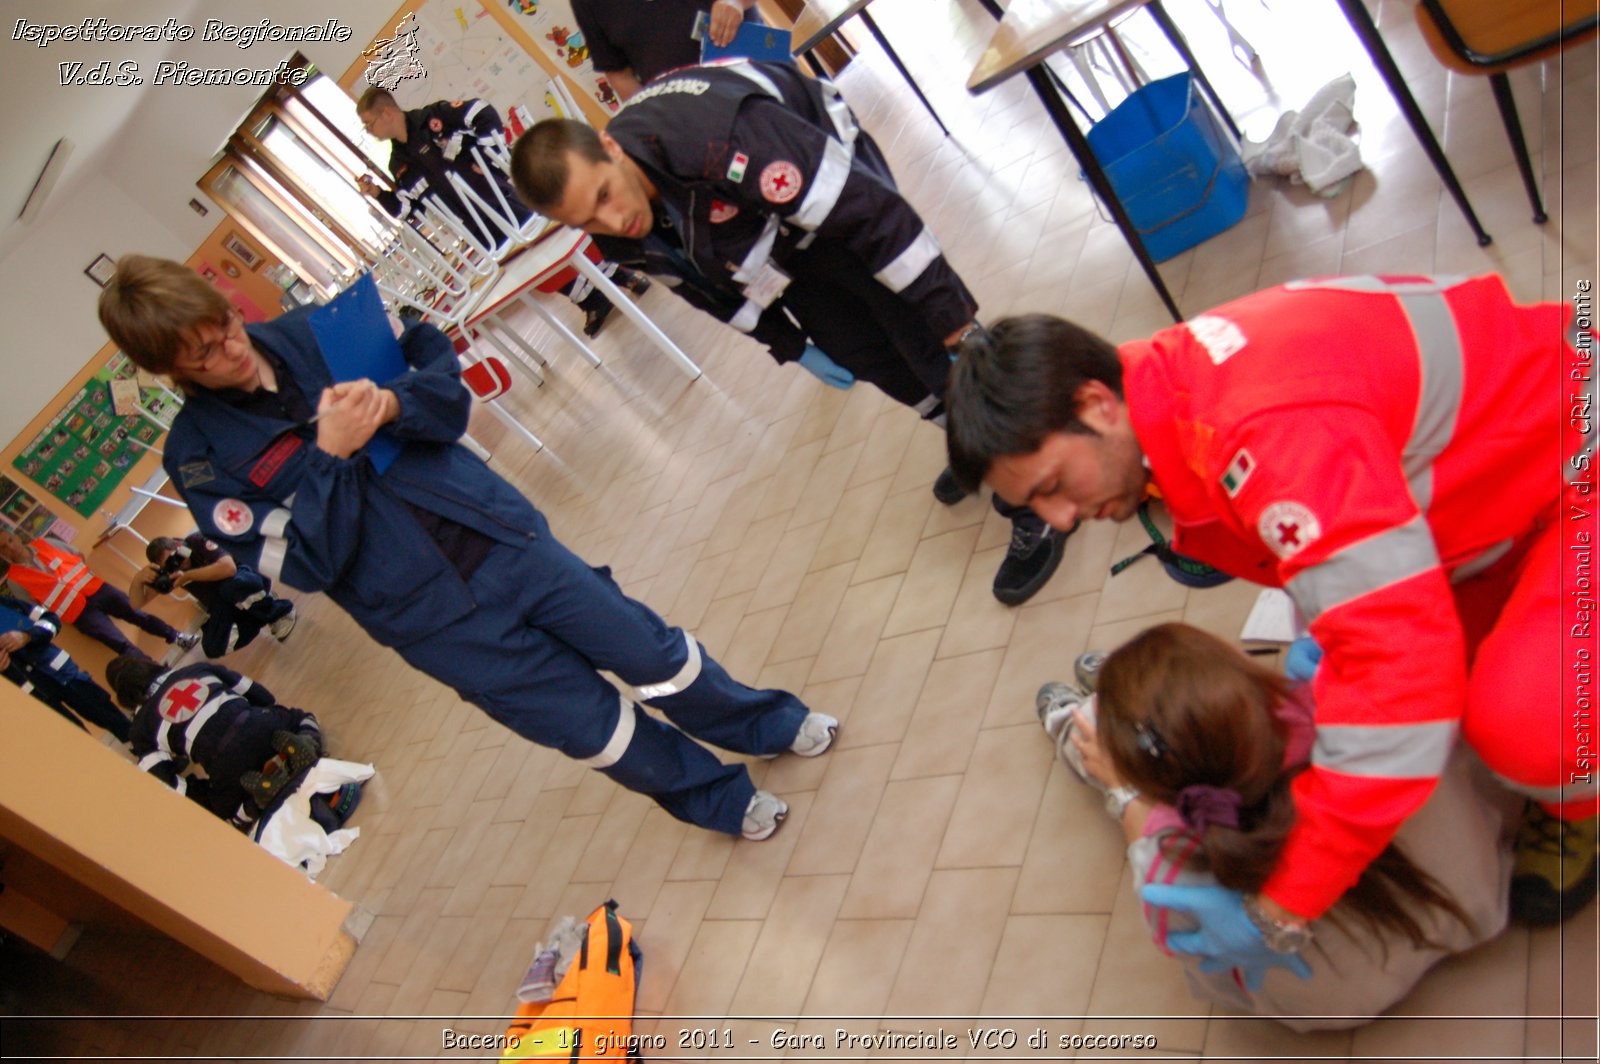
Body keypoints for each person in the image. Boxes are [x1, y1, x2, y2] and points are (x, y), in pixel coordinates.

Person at [942, 280, 1594, 978]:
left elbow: (1402, 680)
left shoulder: (1258, 432)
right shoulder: (1165, 397)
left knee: (1527, 722)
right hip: (1502, 482)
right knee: (1408, 690)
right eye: (1035, 507)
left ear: (1096, 405)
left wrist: (1284, 906)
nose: (1062, 520)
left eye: (1053, 485)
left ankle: (1578, 812)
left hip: (1574, 467)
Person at [97, 254, 835, 841]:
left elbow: (447, 396)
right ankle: (713, 798)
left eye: (223, 325)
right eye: (201, 355)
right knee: (591, 726)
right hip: (434, 620)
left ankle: (764, 722)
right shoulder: (199, 459)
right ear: (171, 370)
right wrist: (328, 455)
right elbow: (304, 567)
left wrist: (390, 404)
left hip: (503, 538)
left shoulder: (322, 330)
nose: (227, 349)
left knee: (652, 652)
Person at [511, 60, 1072, 605]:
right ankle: (971, 439)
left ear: (610, 147)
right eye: (586, 220)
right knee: (871, 358)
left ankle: (1034, 488)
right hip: (772, 240)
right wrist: (791, 344)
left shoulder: (717, 139)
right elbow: (704, 288)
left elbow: (871, 212)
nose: (611, 223)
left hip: (830, 183)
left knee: (927, 350)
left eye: (605, 196)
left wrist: (954, 324)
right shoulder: (618, 230)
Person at [1037, 623, 1514, 1030]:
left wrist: (1124, 794)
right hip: (1476, 903)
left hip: (1339, 1007)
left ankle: (1082, 728)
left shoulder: (1175, 873)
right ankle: (1140, 716)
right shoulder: (1373, 716)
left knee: (1104, 758)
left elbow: (1183, 939)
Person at [354, 88, 650, 338]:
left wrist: (489, 153)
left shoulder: (435, 117)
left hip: (500, 198)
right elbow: (408, 208)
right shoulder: (399, 163)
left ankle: (620, 276)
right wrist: (379, 195)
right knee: (528, 265)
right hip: (474, 225)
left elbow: (483, 113)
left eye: (369, 124)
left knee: (551, 243)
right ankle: (590, 299)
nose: (369, 131)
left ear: (387, 113)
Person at [106, 655, 340, 832]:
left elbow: (169, 784)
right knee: (300, 717)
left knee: (220, 811)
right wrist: (264, 715)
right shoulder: (197, 668)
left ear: (124, 698)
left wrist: (207, 794)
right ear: (148, 664)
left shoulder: (140, 731)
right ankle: (306, 743)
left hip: (226, 765)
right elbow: (260, 694)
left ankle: (251, 804)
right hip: (260, 726)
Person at [0, 529, 197, 661]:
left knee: (138, 614)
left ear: (16, 537)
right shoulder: (14, 580)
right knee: (117, 642)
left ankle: (178, 637)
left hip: (98, 589)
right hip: (77, 613)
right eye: (3, 547)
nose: (10, 547)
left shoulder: (45, 543)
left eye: (9, 540)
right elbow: (34, 609)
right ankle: (152, 673)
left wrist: (79, 579)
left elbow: (77, 555)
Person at [129, 533, 297, 658]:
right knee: (213, 647)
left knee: (231, 587)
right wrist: (138, 580)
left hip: (244, 580)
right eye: (171, 564)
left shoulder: (197, 541)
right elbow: (136, 604)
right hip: (223, 604)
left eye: (176, 557)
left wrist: (188, 576)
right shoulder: (171, 572)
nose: (178, 563)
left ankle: (280, 612)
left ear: (178, 544)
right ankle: (259, 611)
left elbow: (228, 569)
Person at [570, 0, 765, 101]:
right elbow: (619, 74)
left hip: (758, 77)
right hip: (693, 117)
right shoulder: (587, 4)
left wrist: (736, 2)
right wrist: (658, 116)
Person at [0, 595, 130, 742]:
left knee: (114, 719)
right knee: (78, 740)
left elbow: (51, 620)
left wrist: (27, 636)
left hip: (64, 674)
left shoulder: (6, 604)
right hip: (34, 695)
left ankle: (146, 748)